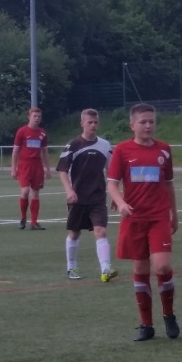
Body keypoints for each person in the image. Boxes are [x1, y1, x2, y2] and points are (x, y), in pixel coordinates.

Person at [106, 103, 179, 342]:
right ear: (132, 125)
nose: (148, 126)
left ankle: (169, 315)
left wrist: (174, 213)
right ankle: (146, 324)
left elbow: (168, 183)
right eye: (143, 122)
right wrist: (121, 203)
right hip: (134, 218)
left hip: (158, 217)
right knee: (140, 270)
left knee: (162, 267)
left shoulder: (164, 150)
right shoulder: (122, 150)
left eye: (151, 122)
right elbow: (112, 183)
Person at [56, 109, 117, 282]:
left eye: (96, 122)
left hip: (98, 197)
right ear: (82, 123)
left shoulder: (105, 145)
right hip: (78, 197)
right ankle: (71, 266)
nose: (93, 125)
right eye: (90, 122)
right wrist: (69, 190)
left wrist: (115, 194)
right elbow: (62, 170)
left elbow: (112, 172)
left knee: (101, 231)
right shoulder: (73, 145)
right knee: (74, 233)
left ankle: (106, 269)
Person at [11, 107, 51, 230]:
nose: (37, 118)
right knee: (25, 191)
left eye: (39, 116)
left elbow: (44, 152)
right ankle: (23, 218)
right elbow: (15, 151)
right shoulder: (22, 131)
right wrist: (13, 168)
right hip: (25, 164)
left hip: (37, 165)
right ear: (29, 117)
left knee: (35, 193)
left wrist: (47, 169)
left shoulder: (42, 133)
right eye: (35, 116)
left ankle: (34, 222)